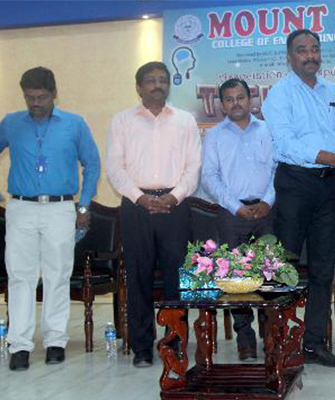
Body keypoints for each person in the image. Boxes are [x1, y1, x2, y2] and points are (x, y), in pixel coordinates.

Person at [0, 67, 101, 371]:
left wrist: (84, 206)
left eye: (41, 97)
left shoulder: (74, 124)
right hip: (21, 208)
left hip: (60, 207)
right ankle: (19, 345)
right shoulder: (11, 122)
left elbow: (92, 164)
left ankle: (55, 341)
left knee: (57, 274)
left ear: (54, 94)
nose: (35, 103)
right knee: (20, 276)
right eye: (29, 97)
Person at [262, 29, 335, 367]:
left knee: (323, 267)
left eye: (315, 49)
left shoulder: (334, 91)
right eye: (302, 50)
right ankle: (279, 342)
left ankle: (314, 344)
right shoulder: (279, 94)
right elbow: (285, 144)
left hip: (328, 186)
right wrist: (333, 157)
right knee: (284, 266)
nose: (310, 55)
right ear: (290, 57)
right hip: (294, 184)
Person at [106, 61, 201, 367]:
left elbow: (193, 166)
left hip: (176, 206)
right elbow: (115, 168)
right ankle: (142, 348)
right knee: (138, 277)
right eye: (150, 80)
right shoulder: (122, 121)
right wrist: (140, 198)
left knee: (177, 279)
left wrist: (174, 196)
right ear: (139, 87)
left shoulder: (185, 120)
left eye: (162, 79)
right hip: (136, 208)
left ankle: (175, 343)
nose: (158, 85)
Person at [202, 78, 276, 361]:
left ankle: (270, 336)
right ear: (222, 105)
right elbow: (209, 176)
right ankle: (245, 339)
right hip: (231, 215)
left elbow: (278, 169)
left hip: (266, 212)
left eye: (241, 97)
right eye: (229, 99)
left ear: (250, 99)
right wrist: (235, 207)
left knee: (269, 275)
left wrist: (268, 201)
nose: (236, 103)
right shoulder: (214, 136)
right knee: (235, 277)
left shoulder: (268, 130)